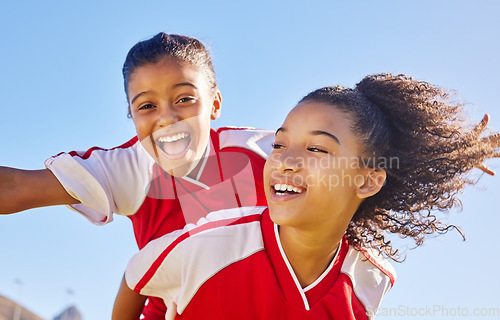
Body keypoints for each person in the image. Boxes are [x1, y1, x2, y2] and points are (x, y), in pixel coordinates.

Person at [123, 73, 499, 320]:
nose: (284, 161)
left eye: (317, 149)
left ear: (368, 180)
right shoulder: (211, 244)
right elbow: (134, 279)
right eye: (280, 143)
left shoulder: (370, 277)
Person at [0, 33, 273, 320]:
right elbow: (14, 187)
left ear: (215, 103)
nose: (166, 117)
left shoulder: (267, 154)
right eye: (146, 106)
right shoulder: (131, 168)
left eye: (184, 98)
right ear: (131, 114)